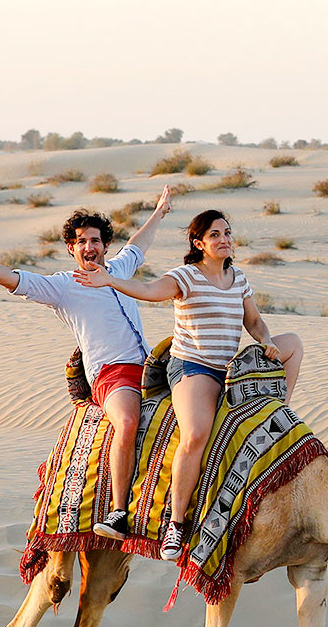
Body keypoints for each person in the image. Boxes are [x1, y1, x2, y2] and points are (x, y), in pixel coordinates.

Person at [0, 187, 175, 541]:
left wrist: (159, 211)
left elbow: (139, 244)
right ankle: (120, 511)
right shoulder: (62, 287)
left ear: (105, 245)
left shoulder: (118, 269)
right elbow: (11, 277)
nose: (89, 247)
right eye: (81, 241)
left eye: (95, 240)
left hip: (151, 364)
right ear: (71, 248)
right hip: (112, 372)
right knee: (127, 421)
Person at [75, 209, 303, 562]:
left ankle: (279, 409)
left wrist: (267, 339)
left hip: (230, 367)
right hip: (193, 367)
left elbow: (255, 320)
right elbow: (149, 290)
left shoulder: (238, 278)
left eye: (227, 232)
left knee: (294, 344)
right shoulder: (186, 276)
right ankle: (176, 523)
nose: (225, 239)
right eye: (215, 235)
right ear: (199, 244)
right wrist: (111, 281)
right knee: (195, 434)